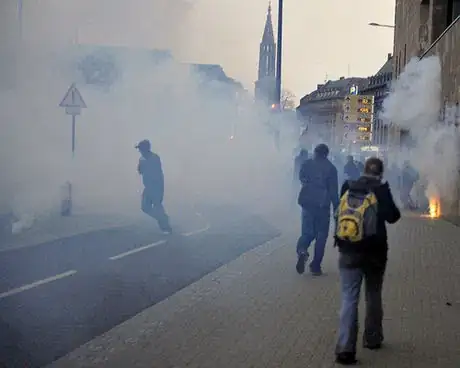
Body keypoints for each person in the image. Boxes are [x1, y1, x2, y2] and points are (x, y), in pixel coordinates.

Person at [334, 157, 400, 365]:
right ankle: (372, 339)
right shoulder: (381, 190)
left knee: (349, 298)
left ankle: (345, 348)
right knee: (373, 295)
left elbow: (338, 213)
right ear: (381, 173)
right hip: (375, 253)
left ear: (363, 170)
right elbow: (393, 216)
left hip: (348, 249)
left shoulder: (348, 185)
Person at [296, 143, 339, 276]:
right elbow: (333, 191)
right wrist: (336, 208)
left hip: (307, 203)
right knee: (321, 236)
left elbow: (301, 178)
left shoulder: (307, 164)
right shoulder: (331, 168)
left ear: (315, 152)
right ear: (326, 154)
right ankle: (315, 266)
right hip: (323, 205)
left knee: (307, 232)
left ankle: (302, 250)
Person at [136, 139, 172, 234]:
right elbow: (140, 171)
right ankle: (163, 219)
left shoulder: (154, 158)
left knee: (157, 206)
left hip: (156, 186)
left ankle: (165, 227)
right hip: (148, 186)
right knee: (145, 207)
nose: (139, 151)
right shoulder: (142, 159)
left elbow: (158, 173)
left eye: (141, 149)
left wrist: (159, 188)